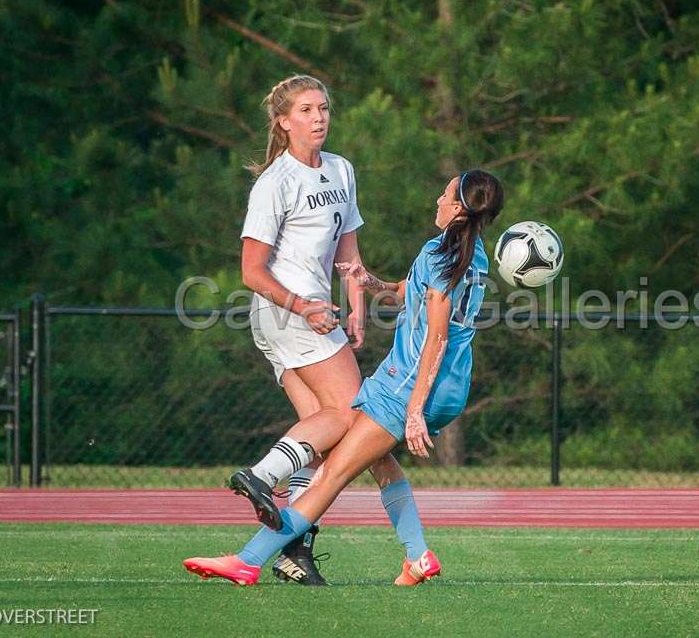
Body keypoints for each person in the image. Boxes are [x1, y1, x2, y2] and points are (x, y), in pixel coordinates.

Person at [184, 168, 504, 586]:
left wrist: (413, 410)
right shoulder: (470, 253)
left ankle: (248, 560)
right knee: (379, 460)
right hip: (451, 386)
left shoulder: (439, 253)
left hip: (409, 383)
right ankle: (417, 555)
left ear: (459, 207)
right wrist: (368, 281)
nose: (437, 201)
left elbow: (436, 337)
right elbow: (406, 291)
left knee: (332, 473)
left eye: (444, 195)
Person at [234, 74, 431, 585]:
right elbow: (251, 272)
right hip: (286, 313)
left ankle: (294, 551)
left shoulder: (341, 170)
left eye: (323, 108)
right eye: (305, 110)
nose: (318, 117)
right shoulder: (274, 182)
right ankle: (261, 475)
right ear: (283, 121)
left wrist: (357, 307)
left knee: (323, 435)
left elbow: (348, 257)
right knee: (350, 416)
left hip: (312, 315)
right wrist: (304, 306)